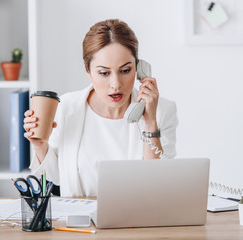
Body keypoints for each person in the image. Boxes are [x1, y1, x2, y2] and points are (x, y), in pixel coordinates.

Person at [23, 19, 178, 197]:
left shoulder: (163, 111)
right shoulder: (66, 107)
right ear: (87, 70)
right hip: (80, 221)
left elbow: (157, 187)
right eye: (104, 73)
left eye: (126, 70)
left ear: (139, 68)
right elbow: (55, 179)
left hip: (138, 221)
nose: (116, 85)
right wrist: (40, 146)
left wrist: (150, 122)